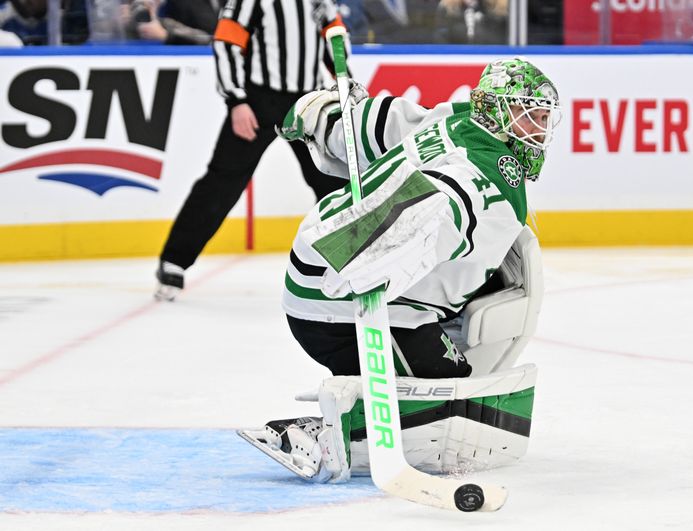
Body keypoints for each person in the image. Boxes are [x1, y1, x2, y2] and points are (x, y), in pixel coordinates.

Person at [239, 57, 561, 482]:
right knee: (453, 404)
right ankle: (326, 433)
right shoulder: (489, 183)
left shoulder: (458, 119)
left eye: (544, 117)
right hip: (336, 299)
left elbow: (385, 124)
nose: (540, 130)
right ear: (500, 110)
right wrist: (374, 255)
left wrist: (333, 119)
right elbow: (445, 202)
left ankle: (369, 383)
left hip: (321, 267)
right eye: (531, 115)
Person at [154, 0, 350, 301]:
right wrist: (236, 100)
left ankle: (352, 262)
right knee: (223, 181)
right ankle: (174, 261)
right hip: (259, 102)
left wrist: (342, 77)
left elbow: (334, 35)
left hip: (309, 102)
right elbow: (227, 43)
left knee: (334, 183)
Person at [123, 0, 217, 45]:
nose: (143, 9)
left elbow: (206, 39)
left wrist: (166, 35)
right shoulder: (119, 26)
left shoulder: (166, 24)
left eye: (151, 4)